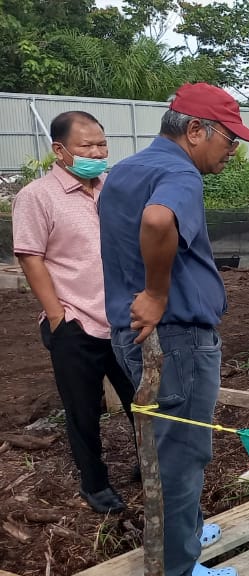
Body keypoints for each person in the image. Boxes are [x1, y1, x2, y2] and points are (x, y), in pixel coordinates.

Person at [100, 82, 249, 576]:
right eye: (229, 139)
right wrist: (156, 293)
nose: (233, 151)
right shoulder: (180, 173)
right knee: (183, 451)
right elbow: (156, 220)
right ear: (195, 130)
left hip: (135, 335)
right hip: (177, 338)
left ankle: (184, 531)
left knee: (164, 439)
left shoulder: (126, 170)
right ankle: (181, 566)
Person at [12, 111, 137, 514]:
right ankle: (95, 484)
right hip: (75, 323)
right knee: (83, 412)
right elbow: (31, 258)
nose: (98, 152)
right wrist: (56, 315)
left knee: (142, 401)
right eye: (87, 146)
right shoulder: (37, 196)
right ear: (60, 150)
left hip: (122, 319)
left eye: (102, 144)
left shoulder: (111, 188)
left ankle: (149, 463)